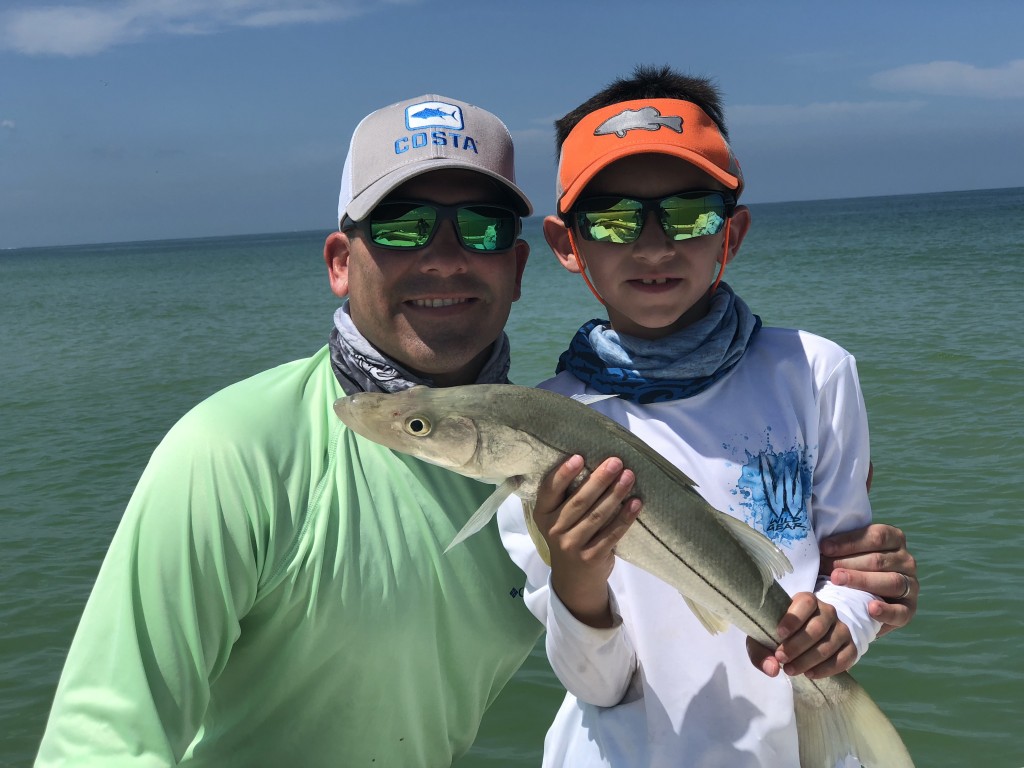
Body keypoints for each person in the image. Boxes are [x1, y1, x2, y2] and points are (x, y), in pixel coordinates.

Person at [35, 91, 915, 767]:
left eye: (481, 227)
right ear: (341, 261)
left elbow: (790, 558)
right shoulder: (227, 451)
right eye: (405, 225)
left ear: (524, 262)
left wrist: (855, 593)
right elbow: (100, 736)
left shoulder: (549, 434)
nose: (445, 256)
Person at [497, 65, 917, 766]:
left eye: (690, 213)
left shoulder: (816, 372)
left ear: (734, 231)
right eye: (612, 218)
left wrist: (839, 626)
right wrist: (577, 576)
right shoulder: (546, 423)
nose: (655, 245)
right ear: (567, 244)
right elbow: (595, 683)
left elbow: (849, 571)